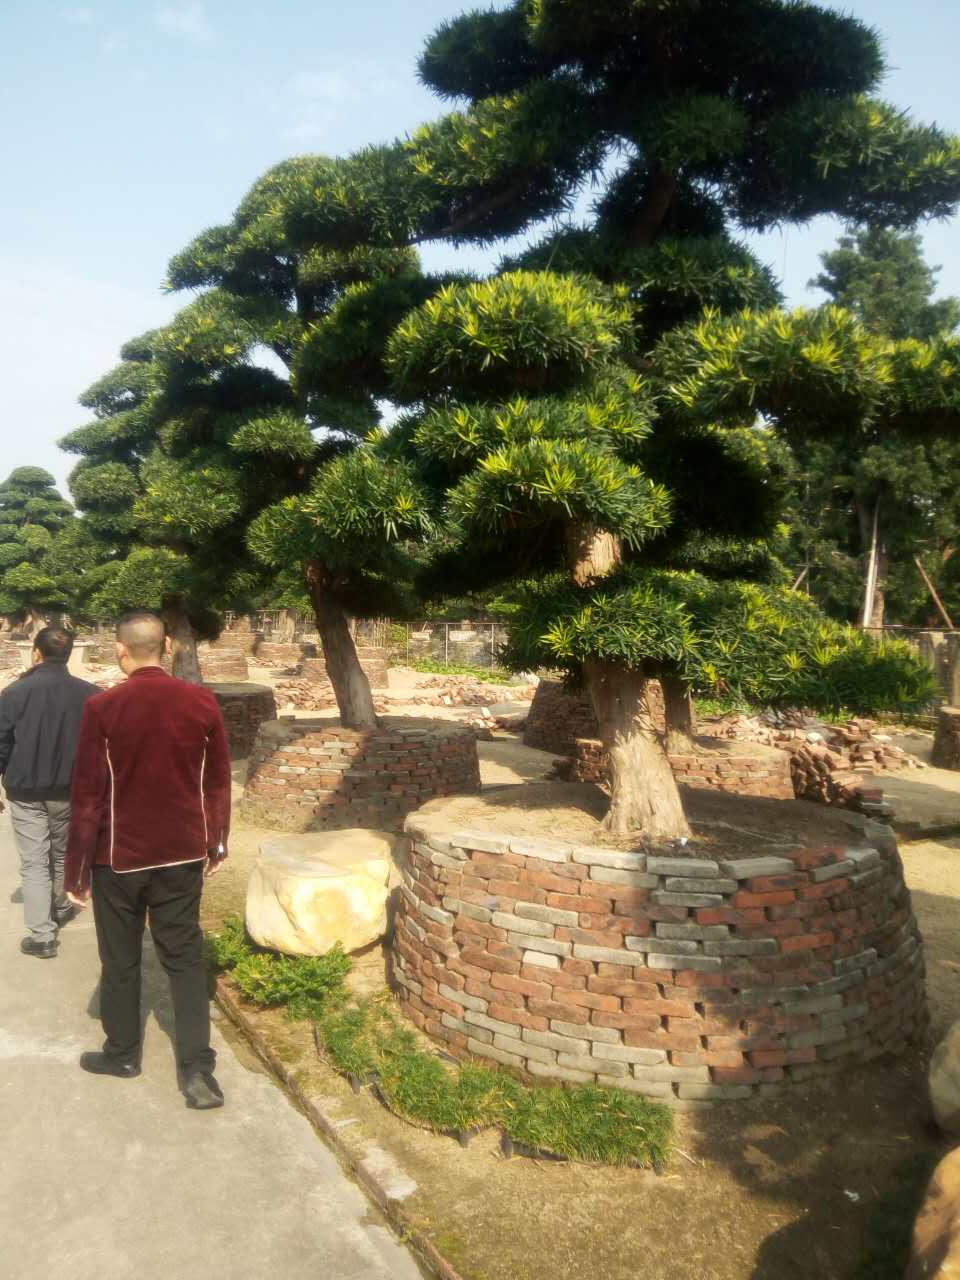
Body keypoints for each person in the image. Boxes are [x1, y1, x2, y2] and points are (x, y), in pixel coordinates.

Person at [64, 609, 232, 1111]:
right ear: (168, 648)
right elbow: (217, 781)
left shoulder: (103, 708)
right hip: (181, 852)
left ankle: (122, 1055)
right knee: (184, 958)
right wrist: (217, 841)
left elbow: (87, 796)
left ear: (121, 651)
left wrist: (75, 871)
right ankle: (197, 1071)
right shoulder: (201, 702)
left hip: (119, 858)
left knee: (120, 959)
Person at [0, 625, 99, 959]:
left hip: (26, 791)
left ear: (36, 652)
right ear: (69, 654)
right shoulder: (91, 694)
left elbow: (1, 744)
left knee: (34, 862)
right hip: (70, 791)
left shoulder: (14, 693)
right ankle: (60, 906)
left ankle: (42, 936)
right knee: (61, 853)